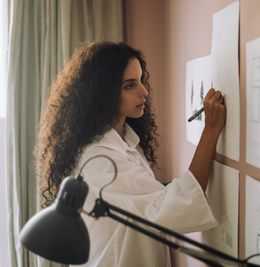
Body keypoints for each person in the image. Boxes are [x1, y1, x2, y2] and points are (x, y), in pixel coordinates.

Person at [35, 41, 226, 267]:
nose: (144, 91)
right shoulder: (99, 161)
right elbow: (174, 206)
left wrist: (165, 189)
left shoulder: (123, 140)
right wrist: (211, 131)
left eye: (141, 80)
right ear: (102, 94)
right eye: (129, 85)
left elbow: (140, 197)